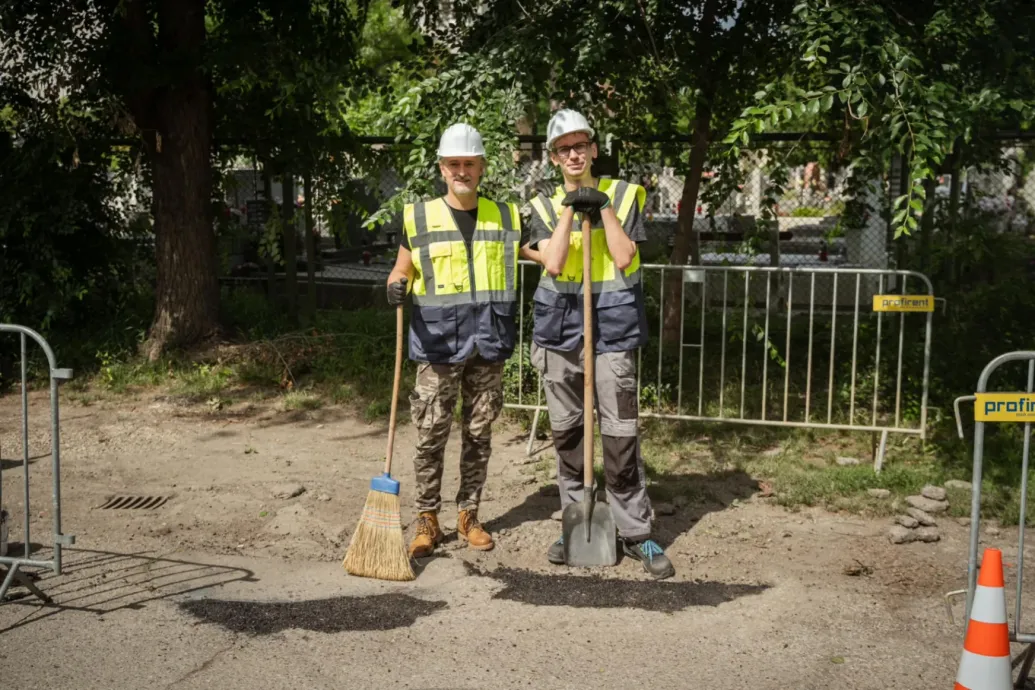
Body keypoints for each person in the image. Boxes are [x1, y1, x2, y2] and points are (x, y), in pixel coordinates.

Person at [522, 109, 675, 580]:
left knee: (620, 432)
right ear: (553, 158)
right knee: (568, 432)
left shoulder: (627, 195)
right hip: (559, 329)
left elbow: (627, 254)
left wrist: (602, 204)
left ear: (593, 149)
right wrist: (572, 207)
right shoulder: (543, 205)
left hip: (612, 327)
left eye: (580, 145)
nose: (573, 154)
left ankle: (635, 533)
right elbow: (554, 261)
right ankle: (576, 521)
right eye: (563, 148)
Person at [385, 123, 522, 559]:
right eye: (454, 163)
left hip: (489, 342)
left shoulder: (506, 216)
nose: (462, 170)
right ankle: (427, 517)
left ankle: (469, 513)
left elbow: (537, 254)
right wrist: (395, 284)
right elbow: (401, 269)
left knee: (479, 434)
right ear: (442, 168)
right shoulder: (419, 216)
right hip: (438, 343)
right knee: (430, 434)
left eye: (470, 163)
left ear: (481, 167)